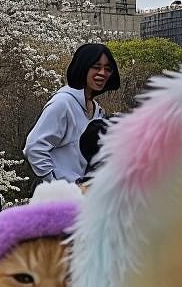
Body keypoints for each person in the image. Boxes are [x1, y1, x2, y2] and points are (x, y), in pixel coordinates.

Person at [24, 43, 121, 183]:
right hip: (60, 198)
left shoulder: (97, 111)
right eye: (96, 67)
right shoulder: (63, 103)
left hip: (84, 195)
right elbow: (34, 148)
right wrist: (57, 184)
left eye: (107, 69)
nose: (102, 73)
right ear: (83, 67)